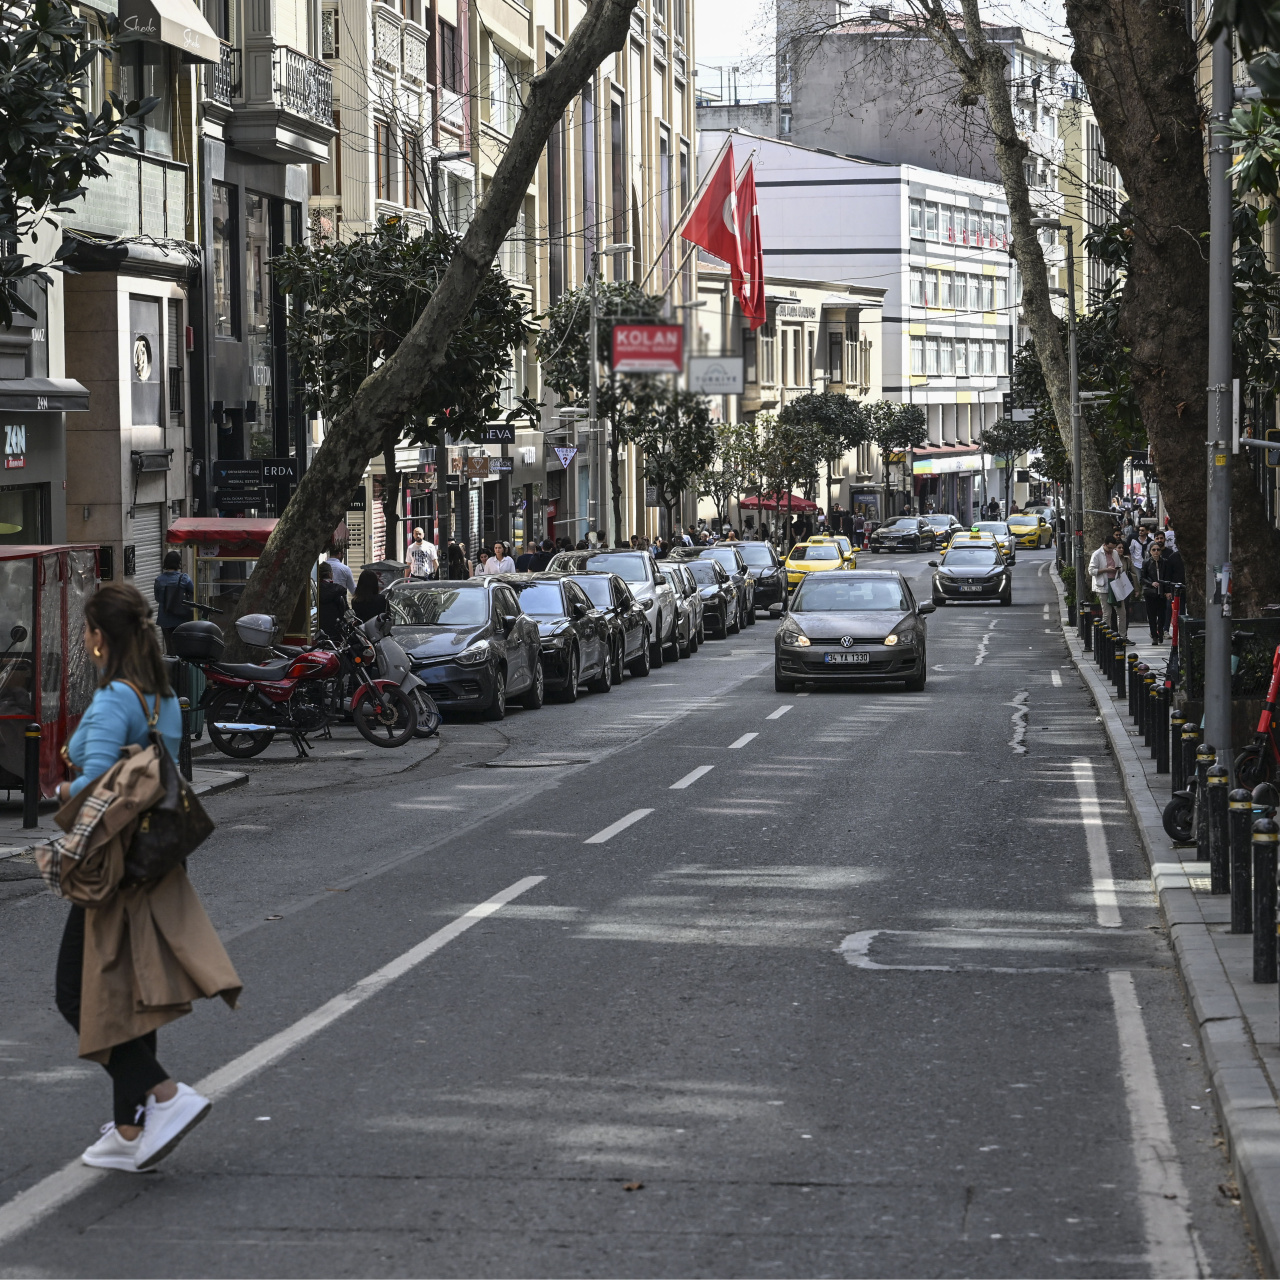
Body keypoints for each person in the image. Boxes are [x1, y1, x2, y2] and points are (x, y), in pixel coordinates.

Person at [55, 583, 239, 1174]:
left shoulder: (114, 702)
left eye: (87, 632)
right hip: (156, 861)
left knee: (72, 991)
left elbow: (96, 788)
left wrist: (62, 789)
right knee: (130, 995)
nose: (85, 642)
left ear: (101, 638)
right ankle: (132, 1129)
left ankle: (163, 1094)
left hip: (113, 866)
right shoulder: (164, 699)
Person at [1089, 533, 1131, 637]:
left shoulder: (1115, 553)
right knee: (1107, 613)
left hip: (1115, 584)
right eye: (1110, 548)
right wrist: (1106, 570)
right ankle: (1106, 636)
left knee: (1122, 612)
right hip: (1103, 586)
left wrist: (1118, 569)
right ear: (1105, 544)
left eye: (1113, 548)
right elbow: (1091, 571)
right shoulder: (1097, 554)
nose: (1111, 550)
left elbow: (1120, 566)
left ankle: (1122, 636)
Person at [152, 550, 194, 653]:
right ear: (178, 563)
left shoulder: (159, 580)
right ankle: (181, 667)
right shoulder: (184, 578)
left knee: (170, 647)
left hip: (165, 618)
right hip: (182, 618)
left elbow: (157, 598)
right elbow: (193, 592)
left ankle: (171, 666)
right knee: (182, 647)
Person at [1141, 542, 1174, 644]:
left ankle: (1160, 633)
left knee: (1162, 614)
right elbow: (1142, 578)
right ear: (1150, 551)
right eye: (1153, 550)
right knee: (1151, 615)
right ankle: (1154, 635)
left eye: (1158, 550)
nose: (1156, 552)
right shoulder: (1146, 562)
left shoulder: (1165, 562)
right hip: (1150, 593)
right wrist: (1151, 583)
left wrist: (1168, 591)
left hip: (1162, 592)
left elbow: (1168, 577)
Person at [316, 562, 348, 640]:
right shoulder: (339, 590)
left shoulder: (314, 591)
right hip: (335, 631)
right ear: (330, 574)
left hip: (318, 631)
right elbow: (344, 610)